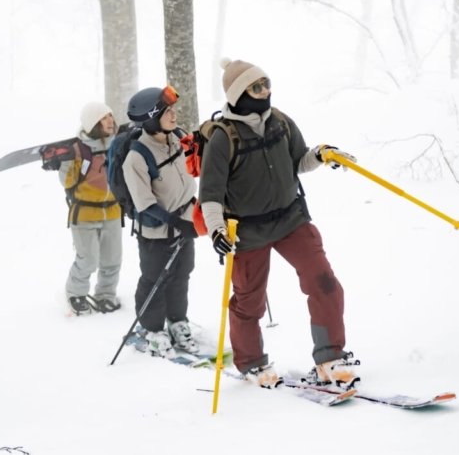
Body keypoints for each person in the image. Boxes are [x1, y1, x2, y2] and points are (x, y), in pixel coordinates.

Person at [198, 58, 360, 389]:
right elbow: (210, 195)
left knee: (324, 283)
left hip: (291, 219)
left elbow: (299, 159)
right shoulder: (222, 138)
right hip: (247, 231)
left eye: (266, 83)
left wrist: (322, 154)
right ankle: (252, 364)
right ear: (239, 93)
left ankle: (330, 358)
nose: (265, 91)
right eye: (256, 87)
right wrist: (216, 230)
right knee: (249, 301)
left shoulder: (281, 122)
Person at [122, 85, 202, 356]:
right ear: (151, 118)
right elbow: (144, 202)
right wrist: (177, 223)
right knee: (155, 278)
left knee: (182, 274)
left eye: (173, 109)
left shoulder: (177, 137)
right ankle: (153, 329)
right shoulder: (136, 157)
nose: (174, 114)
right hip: (157, 230)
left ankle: (178, 321)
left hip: (187, 219)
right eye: (167, 111)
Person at [58, 102, 123, 316]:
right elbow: (67, 182)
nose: (110, 121)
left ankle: (105, 295)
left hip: (112, 211)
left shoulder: (118, 144)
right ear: (93, 123)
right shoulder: (78, 149)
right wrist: (66, 161)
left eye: (110, 116)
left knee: (112, 259)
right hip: (84, 212)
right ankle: (75, 293)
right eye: (104, 118)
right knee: (88, 259)